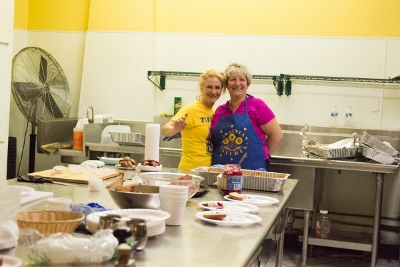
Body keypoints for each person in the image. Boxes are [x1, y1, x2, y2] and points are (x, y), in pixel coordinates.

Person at [210, 62, 283, 170]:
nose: (237, 83)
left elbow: (277, 135)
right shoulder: (220, 110)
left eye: (242, 79)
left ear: (247, 84)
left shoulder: (257, 105)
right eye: (233, 79)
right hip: (222, 172)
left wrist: (261, 156)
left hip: (252, 171)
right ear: (226, 84)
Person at [162, 69, 225, 171]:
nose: (214, 91)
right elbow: (165, 129)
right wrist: (174, 129)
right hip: (190, 171)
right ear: (201, 88)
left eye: (217, 88)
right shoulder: (190, 110)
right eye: (209, 87)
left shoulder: (215, 113)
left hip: (209, 172)